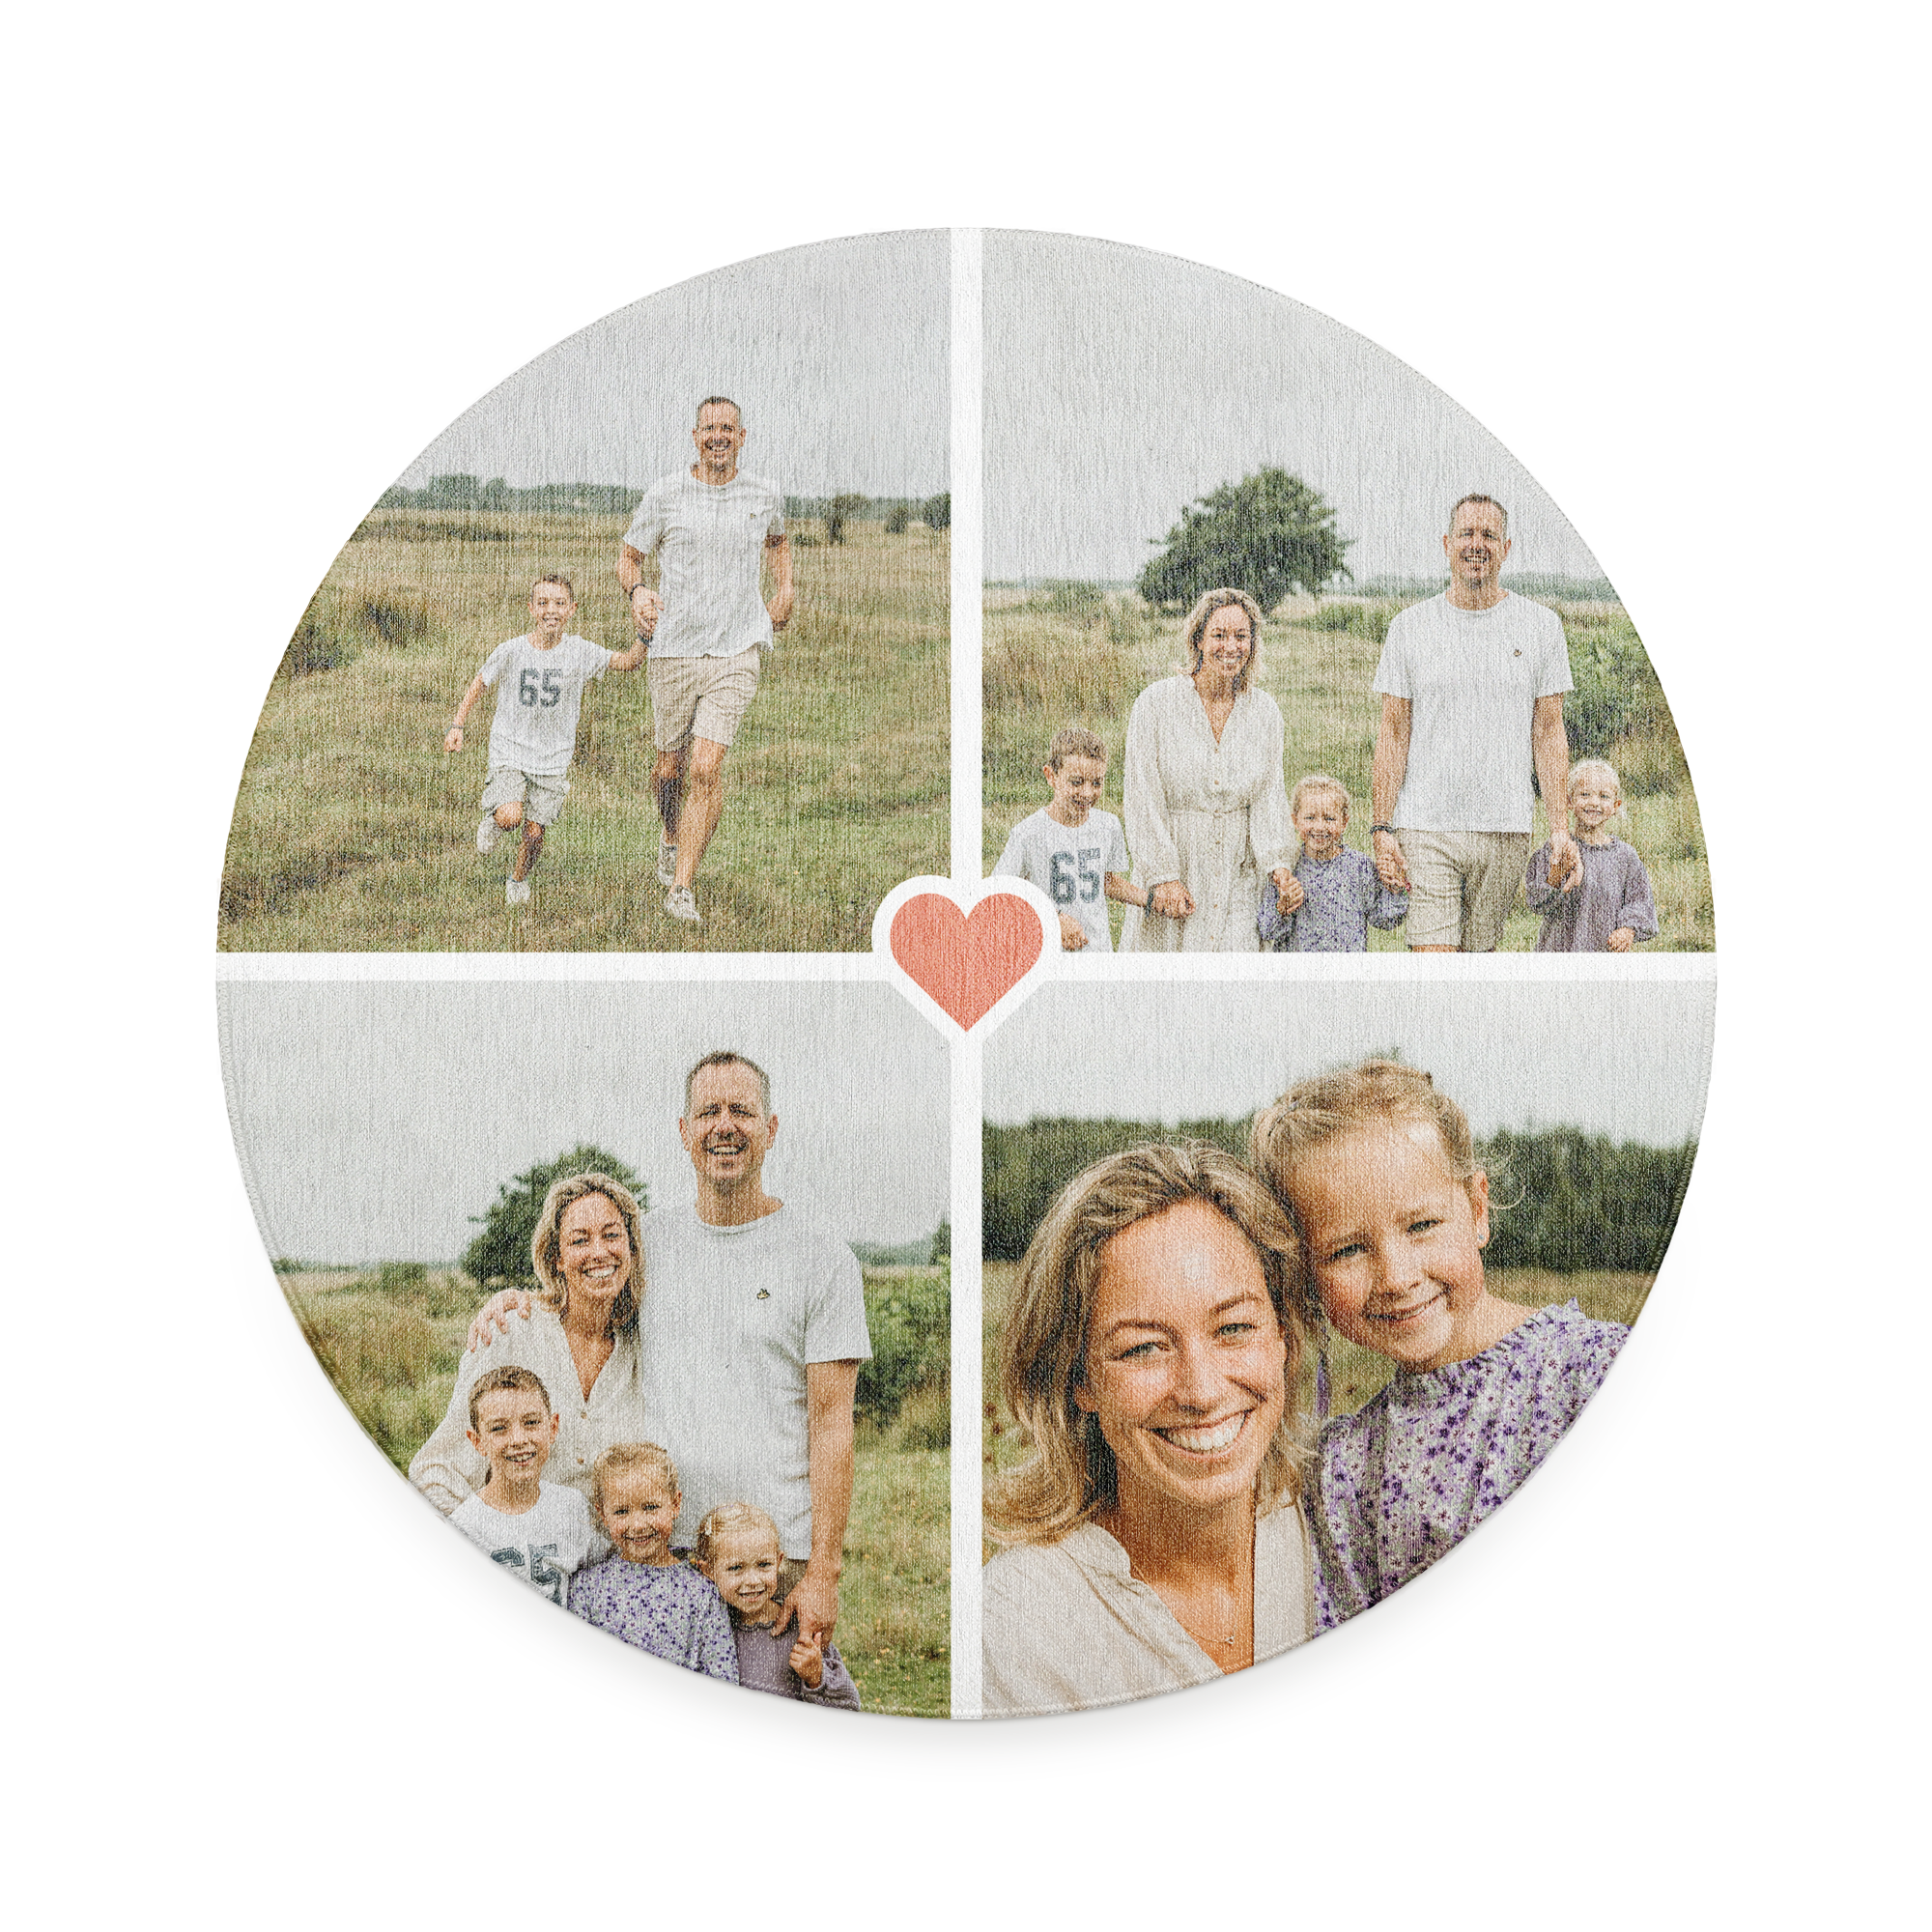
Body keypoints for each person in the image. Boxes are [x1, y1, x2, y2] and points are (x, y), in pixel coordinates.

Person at [466, 1051, 870, 1650]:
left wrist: (823, 1574)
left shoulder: (822, 1258)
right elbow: (585, 1279)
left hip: (771, 1564)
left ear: (771, 1128)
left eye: (742, 1111)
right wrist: (512, 1300)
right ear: (684, 1133)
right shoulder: (648, 1242)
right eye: (708, 1111)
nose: (725, 1125)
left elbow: (833, 1424)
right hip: (659, 1552)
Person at [1249, 1059, 1630, 1629]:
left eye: (1422, 1226)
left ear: (1476, 1210)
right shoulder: (1338, 1472)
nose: (1397, 1277)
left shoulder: (1594, 1372)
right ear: (1305, 1272)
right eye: (1347, 1250)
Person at [981, 1142, 1317, 1717]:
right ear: (1079, 1378)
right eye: (1142, 1348)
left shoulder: (1351, 1523)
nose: (1202, 1391)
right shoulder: (1012, 1626)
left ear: (1283, 1337)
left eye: (1233, 1328)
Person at [1369, 496, 1580, 951]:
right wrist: (1382, 828)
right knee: (1435, 969)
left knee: (1477, 970)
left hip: (1505, 826)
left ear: (1506, 547)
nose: (1476, 545)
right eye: (1466, 534)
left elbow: (1548, 732)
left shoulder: (1541, 626)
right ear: (1447, 544)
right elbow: (1393, 731)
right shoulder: (1410, 627)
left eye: (1488, 535)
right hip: (1426, 825)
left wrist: (1559, 828)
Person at [617, 397, 794, 925]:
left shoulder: (763, 495)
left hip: (737, 649)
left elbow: (780, 541)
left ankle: (681, 888)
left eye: (729, 429)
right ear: (694, 436)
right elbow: (629, 556)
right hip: (673, 649)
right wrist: (638, 593)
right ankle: (672, 836)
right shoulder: (666, 494)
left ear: (743, 437)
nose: (719, 437)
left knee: (705, 767)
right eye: (709, 429)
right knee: (668, 770)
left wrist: (785, 587)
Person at [409, 1174, 647, 1515]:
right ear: (557, 1259)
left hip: (618, 1564)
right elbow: (438, 1473)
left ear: (632, 1250)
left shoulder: (644, 1345)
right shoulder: (511, 1329)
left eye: (612, 1236)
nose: (599, 1252)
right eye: (580, 1241)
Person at [443, 574, 648, 905]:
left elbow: (627, 662)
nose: (550, 610)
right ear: (531, 608)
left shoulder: (579, 651)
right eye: (543, 603)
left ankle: (518, 879)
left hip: (553, 757)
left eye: (559, 603)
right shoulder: (511, 650)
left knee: (535, 831)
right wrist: (458, 725)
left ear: (572, 610)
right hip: (510, 748)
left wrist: (645, 636)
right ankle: (493, 821)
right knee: (511, 816)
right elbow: (481, 681)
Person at [1119, 589, 1296, 953]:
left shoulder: (1264, 712)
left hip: (1238, 872)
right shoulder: (1156, 704)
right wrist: (1162, 875)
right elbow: (1142, 795)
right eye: (1219, 635)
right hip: (1177, 863)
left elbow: (1268, 798)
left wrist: (1278, 864)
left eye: (1241, 636)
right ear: (1198, 639)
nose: (1231, 646)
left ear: (1252, 643)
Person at [568, 1442, 740, 1681]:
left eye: (650, 1507)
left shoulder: (702, 1593)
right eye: (621, 1512)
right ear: (602, 1514)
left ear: (675, 1504)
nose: (638, 1525)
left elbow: (722, 1675)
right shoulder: (587, 1589)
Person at [445, 1366, 604, 1605]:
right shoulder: (464, 1527)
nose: (518, 1440)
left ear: (552, 1428)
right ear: (477, 1441)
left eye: (531, 1422)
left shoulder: (572, 1507)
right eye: (499, 1428)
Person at [696, 1502, 862, 1708]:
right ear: (708, 1570)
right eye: (736, 1568)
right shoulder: (706, 1631)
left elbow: (848, 1707)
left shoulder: (800, 1631)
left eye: (763, 1565)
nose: (753, 1580)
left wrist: (816, 1679)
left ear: (779, 1560)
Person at [992, 724, 1138, 952]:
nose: (1088, 793)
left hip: (1098, 955)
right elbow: (1000, 895)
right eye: (1076, 782)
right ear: (1051, 776)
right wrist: (1053, 919)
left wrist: (1150, 900)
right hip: (1049, 962)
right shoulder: (1028, 833)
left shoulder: (1108, 826)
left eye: (1097, 783)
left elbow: (1105, 881)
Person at [1257, 774, 1409, 953]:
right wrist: (1282, 908)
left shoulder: (1359, 867)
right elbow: (1267, 930)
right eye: (1310, 818)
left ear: (1344, 822)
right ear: (1295, 820)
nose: (1320, 827)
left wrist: (1395, 888)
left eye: (1329, 818)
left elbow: (1384, 919)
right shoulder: (1286, 870)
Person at [1525, 759, 1660, 952]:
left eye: (1604, 796)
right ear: (1569, 801)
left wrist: (1628, 929)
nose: (1594, 802)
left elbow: (1639, 901)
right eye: (1585, 794)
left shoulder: (1626, 857)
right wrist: (1558, 871)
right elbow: (1536, 901)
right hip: (1559, 956)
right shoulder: (1558, 848)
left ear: (1615, 805)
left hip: (1604, 958)